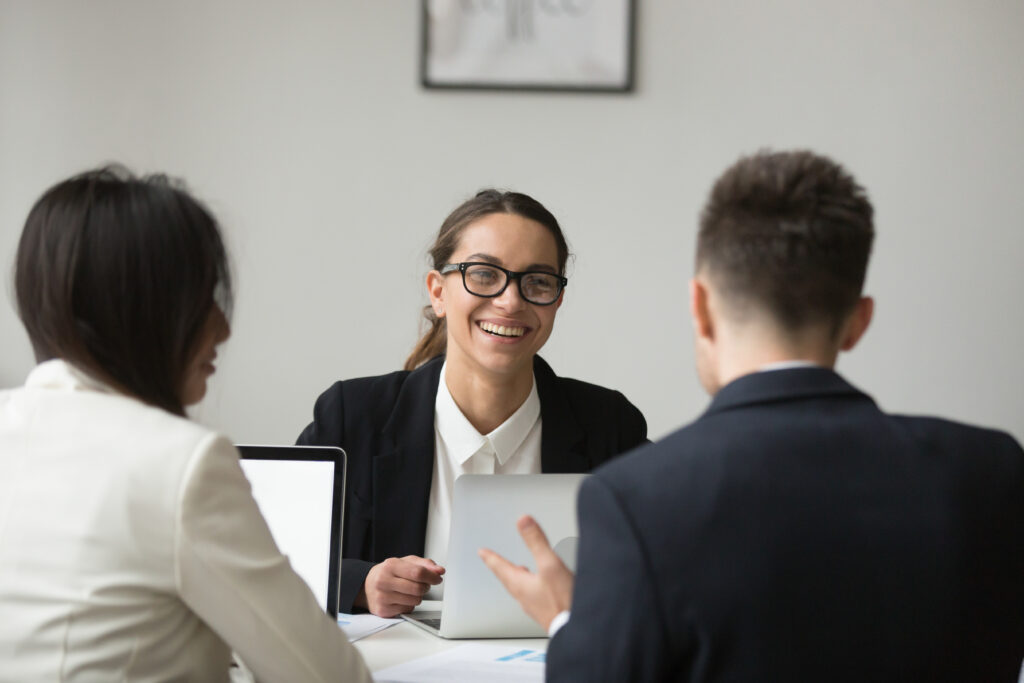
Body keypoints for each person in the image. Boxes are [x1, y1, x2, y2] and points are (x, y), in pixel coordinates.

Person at [481, 150, 1024, 681]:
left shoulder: (636, 498)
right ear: (859, 321)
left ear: (701, 308)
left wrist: (569, 622)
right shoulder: (991, 471)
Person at [0, 168, 371, 682]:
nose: (223, 327)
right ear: (142, 312)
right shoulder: (180, 463)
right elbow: (326, 675)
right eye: (202, 300)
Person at [297, 189, 648, 617]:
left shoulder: (611, 426)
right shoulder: (352, 415)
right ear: (438, 292)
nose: (510, 301)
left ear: (557, 300)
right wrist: (359, 584)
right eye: (483, 274)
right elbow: (279, 555)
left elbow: (663, 569)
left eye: (537, 281)